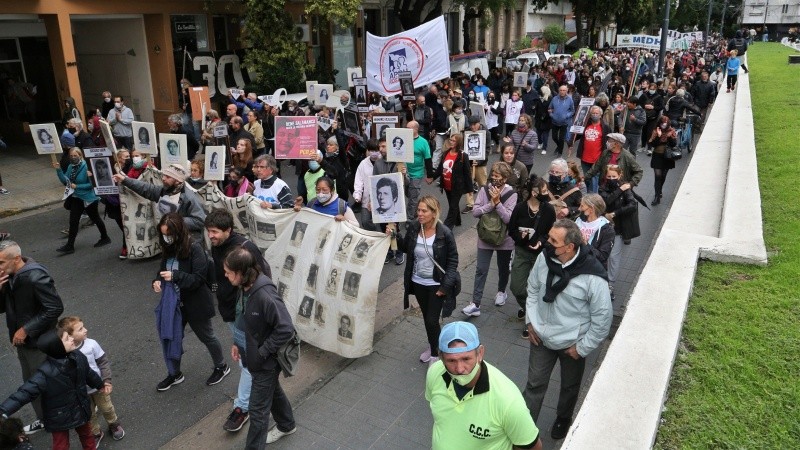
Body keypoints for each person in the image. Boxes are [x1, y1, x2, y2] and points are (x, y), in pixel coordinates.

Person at [523, 219, 612, 440]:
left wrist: (582, 348)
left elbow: (603, 319)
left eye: (553, 240)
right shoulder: (544, 260)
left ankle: (563, 419)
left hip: (572, 344)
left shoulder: (593, 277)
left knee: (570, 387)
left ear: (569, 247)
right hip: (541, 338)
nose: (547, 243)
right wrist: (530, 322)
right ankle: (524, 427)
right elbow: (532, 289)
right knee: (534, 385)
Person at [425, 321, 542, 450]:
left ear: (480, 353)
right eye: (451, 360)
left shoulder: (508, 401)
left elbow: (532, 447)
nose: (459, 369)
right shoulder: (434, 372)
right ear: (440, 357)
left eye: (466, 359)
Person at [223, 248, 297, 449]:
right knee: (272, 392)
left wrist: (263, 352)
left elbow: (286, 328)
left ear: (241, 273)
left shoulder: (265, 294)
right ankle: (287, 424)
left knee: (257, 411)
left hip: (266, 363)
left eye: (229, 272)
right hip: (253, 358)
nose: (225, 275)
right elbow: (243, 318)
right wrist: (238, 343)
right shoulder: (244, 288)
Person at [205, 209, 271, 433]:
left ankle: (242, 408)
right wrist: (216, 290)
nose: (210, 236)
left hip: (245, 316)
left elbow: (264, 278)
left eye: (214, 232)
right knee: (251, 363)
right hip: (230, 315)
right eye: (208, 231)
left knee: (248, 363)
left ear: (228, 230)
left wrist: (250, 310)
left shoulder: (244, 249)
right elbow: (216, 275)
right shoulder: (216, 247)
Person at [152, 213, 229, 392]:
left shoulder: (195, 248)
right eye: (163, 234)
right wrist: (158, 281)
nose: (166, 238)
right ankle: (175, 373)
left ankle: (222, 366)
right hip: (175, 305)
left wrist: (175, 276)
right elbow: (162, 269)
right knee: (173, 338)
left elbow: (198, 279)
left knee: (207, 336)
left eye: (169, 235)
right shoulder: (168, 247)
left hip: (195, 303)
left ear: (178, 232)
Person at [0, 329, 109, 450]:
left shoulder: (78, 356)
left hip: (77, 407)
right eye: (67, 338)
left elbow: (88, 373)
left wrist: (100, 384)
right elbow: (25, 393)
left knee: (87, 435)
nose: (72, 338)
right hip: (59, 417)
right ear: (56, 347)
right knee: (61, 445)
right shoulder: (44, 374)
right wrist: (3, 410)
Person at [0, 241, 65, 435]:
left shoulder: (35, 276)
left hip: (39, 343)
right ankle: (45, 419)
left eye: (1, 262)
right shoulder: (9, 277)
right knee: (30, 383)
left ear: (17, 259)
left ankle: (65, 418)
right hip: (24, 343)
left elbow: (55, 307)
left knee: (46, 383)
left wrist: (26, 329)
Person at [394, 196, 459, 364]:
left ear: (433, 212)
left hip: (436, 285)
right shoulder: (415, 228)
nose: (420, 214)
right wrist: (395, 236)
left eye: (424, 211)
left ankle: (437, 355)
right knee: (427, 319)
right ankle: (433, 347)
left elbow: (452, 262)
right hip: (418, 283)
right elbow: (405, 248)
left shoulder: (444, 233)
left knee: (431, 320)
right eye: (418, 210)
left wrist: (444, 288)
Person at [462, 162, 518, 318]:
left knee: (503, 268)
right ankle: (476, 303)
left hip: (504, 239)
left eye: (497, 176)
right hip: (485, 236)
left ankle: (501, 291)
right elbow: (475, 212)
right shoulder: (484, 190)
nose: (494, 178)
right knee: (481, 270)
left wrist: (498, 203)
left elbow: (508, 218)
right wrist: (490, 204)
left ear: (505, 178)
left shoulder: (512, 194)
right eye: (493, 175)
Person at [57, 316, 125, 444]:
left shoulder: (91, 344)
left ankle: (113, 423)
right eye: (80, 329)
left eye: (83, 326)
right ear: (69, 336)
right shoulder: (65, 352)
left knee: (106, 408)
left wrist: (106, 381)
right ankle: (96, 432)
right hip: (82, 391)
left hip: (99, 386)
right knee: (89, 414)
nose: (85, 330)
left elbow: (103, 363)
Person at [508, 175, 556, 337]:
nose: (547, 193)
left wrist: (541, 242)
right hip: (522, 252)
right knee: (516, 286)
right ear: (534, 193)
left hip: (540, 255)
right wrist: (520, 237)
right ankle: (529, 307)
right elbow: (511, 230)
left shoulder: (548, 209)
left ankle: (532, 319)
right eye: (543, 190)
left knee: (537, 288)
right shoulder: (520, 208)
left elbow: (550, 232)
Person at [112, 163, 207, 235]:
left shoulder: (189, 197)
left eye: (168, 177)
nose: (163, 178)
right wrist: (125, 180)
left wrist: (174, 221)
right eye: (164, 175)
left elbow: (199, 221)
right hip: (170, 237)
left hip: (187, 239)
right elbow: (146, 188)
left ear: (178, 181)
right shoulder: (164, 190)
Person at [53, 148, 111, 254]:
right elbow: (65, 181)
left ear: (80, 155)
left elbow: (91, 185)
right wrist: (59, 170)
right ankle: (70, 246)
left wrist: (77, 186)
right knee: (73, 221)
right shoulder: (71, 166)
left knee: (95, 218)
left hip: (89, 198)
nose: (73, 158)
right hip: (76, 197)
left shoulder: (87, 166)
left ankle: (105, 237)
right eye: (71, 156)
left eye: (75, 155)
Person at [598, 166, 640, 297]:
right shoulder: (602, 188)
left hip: (618, 228)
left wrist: (615, 213)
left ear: (620, 175)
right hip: (603, 227)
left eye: (614, 177)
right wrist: (619, 190)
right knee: (601, 254)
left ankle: (610, 283)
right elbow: (605, 202)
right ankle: (600, 280)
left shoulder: (626, 189)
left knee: (614, 257)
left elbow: (632, 205)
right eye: (609, 176)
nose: (611, 179)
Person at [373, 137, 410, 265]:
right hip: (382, 203)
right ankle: (389, 251)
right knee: (385, 228)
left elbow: (407, 183)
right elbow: (374, 182)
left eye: (383, 146)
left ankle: (399, 251)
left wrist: (404, 175)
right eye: (379, 147)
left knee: (396, 228)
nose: (380, 149)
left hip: (396, 203)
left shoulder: (400, 162)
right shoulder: (378, 163)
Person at [432, 134, 472, 229]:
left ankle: (447, 228)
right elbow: (440, 168)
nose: (451, 142)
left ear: (458, 143)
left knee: (453, 206)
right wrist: (432, 178)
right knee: (452, 204)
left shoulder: (463, 156)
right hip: (446, 185)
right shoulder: (446, 153)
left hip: (457, 186)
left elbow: (467, 173)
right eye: (451, 140)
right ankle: (457, 221)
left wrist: (470, 189)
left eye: (454, 141)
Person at [574, 106, 611, 193]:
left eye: (596, 113)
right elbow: (577, 136)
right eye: (593, 113)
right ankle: (588, 194)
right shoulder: (585, 125)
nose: (594, 115)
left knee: (594, 180)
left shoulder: (605, 127)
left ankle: (593, 198)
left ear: (600, 115)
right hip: (585, 158)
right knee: (587, 179)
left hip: (597, 160)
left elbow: (609, 142)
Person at [293, 177, 358, 226]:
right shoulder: (311, 203)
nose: (321, 193)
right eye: (318, 190)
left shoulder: (341, 206)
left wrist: (345, 220)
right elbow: (304, 221)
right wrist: (298, 209)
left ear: (332, 190)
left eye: (324, 190)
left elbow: (356, 225)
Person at [575, 194, 615, 270]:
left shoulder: (607, 230)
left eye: (582, 206)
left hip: (592, 270)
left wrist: (586, 244)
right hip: (575, 266)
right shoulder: (577, 220)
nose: (579, 208)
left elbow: (603, 256)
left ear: (591, 209)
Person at [405, 121, 434, 223]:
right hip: (404, 173)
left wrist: (430, 175)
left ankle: (410, 219)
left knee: (412, 198)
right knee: (408, 194)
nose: (407, 130)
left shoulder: (423, 142)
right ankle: (416, 207)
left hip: (417, 173)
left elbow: (428, 159)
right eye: (406, 128)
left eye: (409, 128)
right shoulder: (404, 139)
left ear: (416, 129)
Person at [647, 115, 678, 206]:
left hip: (667, 157)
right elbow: (652, 144)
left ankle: (659, 190)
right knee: (658, 176)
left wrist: (667, 137)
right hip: (657, 155)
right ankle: (657, 196)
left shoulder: (671, 131)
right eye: (662, 123)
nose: (664, 125)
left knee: (663, 176)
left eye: (665, 123)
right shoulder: (656, 131)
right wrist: (659, 137)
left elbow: (674, 144)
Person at [548, 85, 575, 157]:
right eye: (561, 90)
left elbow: (572, 111)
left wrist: (566, 115)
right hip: (555, 122)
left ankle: (560, 153)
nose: (562, 92)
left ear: (566, 91)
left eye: (564, 90)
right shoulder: (554, 99)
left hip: (564, 123)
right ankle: (558, 146)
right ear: (558, 91)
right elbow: (550, 108)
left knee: (561, 138)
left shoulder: (569, 100)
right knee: (554, 137)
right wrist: (551, 115)